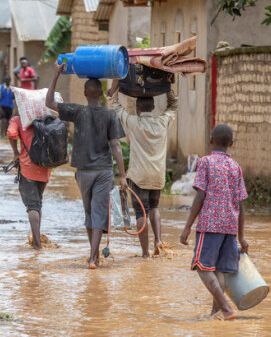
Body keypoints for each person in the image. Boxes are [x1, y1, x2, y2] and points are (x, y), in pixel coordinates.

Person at [45, 62, 127, 269]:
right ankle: (93, 256)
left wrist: (56, 74)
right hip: (104, 171)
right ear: (100, 93)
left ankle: (93, 256)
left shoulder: (77, 111)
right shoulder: (110, 115)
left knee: (90, 213)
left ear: (84, 93)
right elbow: (116, 146)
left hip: (83, 172)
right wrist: (123, 176)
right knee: (97, 213)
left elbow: (49, 102)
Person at [179, 124, 249, 321]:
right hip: (230, 227)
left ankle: (226, 309)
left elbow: (200, 196)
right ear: (231, 144)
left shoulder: (205, 163)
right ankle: (216, 314)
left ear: (211, 141)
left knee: (201, 266)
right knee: (219, 269)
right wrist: (242, 236)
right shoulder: (236, 167)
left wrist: (187, 227)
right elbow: (242, 204)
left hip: (210, 224)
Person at [107, 80, 178, 257]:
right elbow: (174, 104)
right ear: (153, 107)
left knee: (141, 212)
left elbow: (115, 105)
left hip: (138, 176)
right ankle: (158, 241)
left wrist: (114, 90)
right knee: (154, 208)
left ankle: (145, 253)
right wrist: (167, 87)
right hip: (157, 176)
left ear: (138, 109)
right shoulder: (163, 122)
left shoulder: (133, 123)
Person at [7, 114, 52, 250]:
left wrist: (15, 153)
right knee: (38, 203)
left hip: (27, 168)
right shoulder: (46, 117)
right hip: (45, 167)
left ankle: (37, 246)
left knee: (32, 206)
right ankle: (36, 238)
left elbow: (11, 133)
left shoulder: (18, 119)